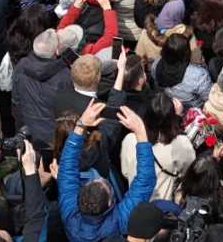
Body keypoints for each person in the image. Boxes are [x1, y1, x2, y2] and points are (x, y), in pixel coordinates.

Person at [60, 100, 155, 239]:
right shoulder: (117, 222)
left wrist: (80, 126)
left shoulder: (70, 216)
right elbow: (145, 182)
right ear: (111, 202)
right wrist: (140, 130)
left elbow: (67, 169)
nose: (99, 178)